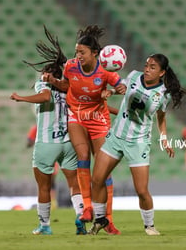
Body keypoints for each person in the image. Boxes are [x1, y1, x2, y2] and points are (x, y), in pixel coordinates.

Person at [89, 53, 186, 235]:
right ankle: (100, 220)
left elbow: (161, 118)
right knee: (96, 180)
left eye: (153, 67)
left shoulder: (163, 94)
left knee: (141, 190)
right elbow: (122, 87)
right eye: (147, 65)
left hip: (138, 142)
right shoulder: (133, 75)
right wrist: (112, 91)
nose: (147, 69)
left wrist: (164, 138)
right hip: (116, 137)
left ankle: (149, 225)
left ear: (162, 72)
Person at [42, 25, 125, 234]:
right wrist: (53, 81)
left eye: (82, 52)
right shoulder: (70, 67)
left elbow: (123, 88)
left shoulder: (106, 71)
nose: (77, 56)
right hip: (77, 115)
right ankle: (87, 208)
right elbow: (66, 86)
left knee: (103, 167)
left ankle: (108, 218)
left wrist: (114, 91)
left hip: (98, 118)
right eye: (76, 52)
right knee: (82, 156)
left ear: (95, 53)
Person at [10, 26, 85, 235]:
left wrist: (21, 98)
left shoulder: (43, 85)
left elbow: (45, 97)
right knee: (74, 184)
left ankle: (44, 226)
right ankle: (81, 217)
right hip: (68, 142)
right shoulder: (70, 88)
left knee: (43, 187)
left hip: (46, 143)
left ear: (48, 73)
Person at [26, 124, 60, 210]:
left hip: (43, 157)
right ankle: (51, 203)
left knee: (45, 183)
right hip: (50, 157)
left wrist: (33, 140)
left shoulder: (37, 128)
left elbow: (29, 143)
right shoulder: (41, 128)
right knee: (50, 183)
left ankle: (49, 203)